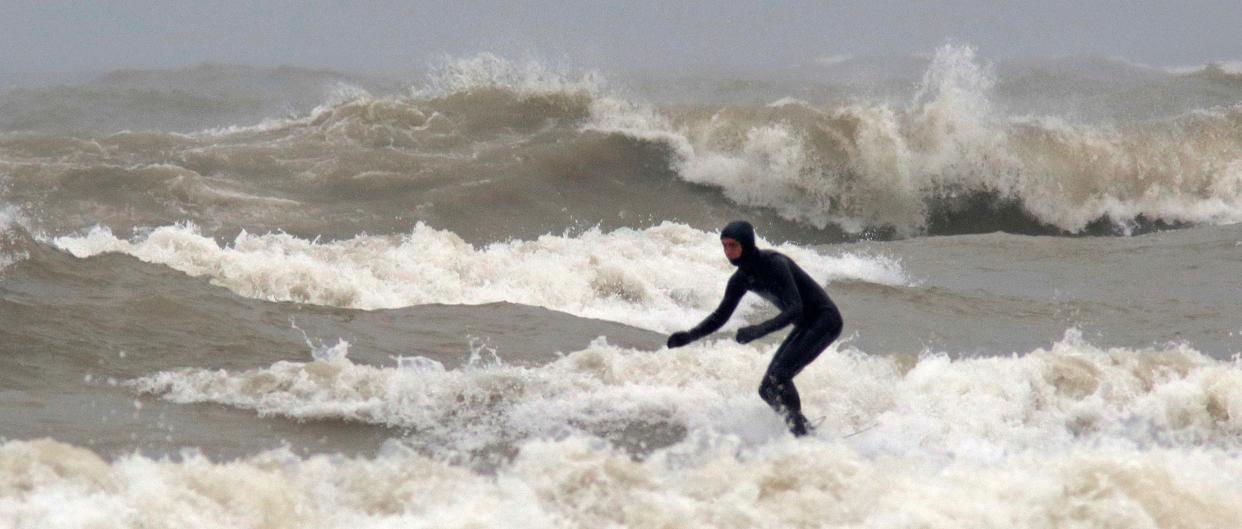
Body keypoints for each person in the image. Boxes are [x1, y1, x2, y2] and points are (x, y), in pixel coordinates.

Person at [666, 221, 843, 436]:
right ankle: (802, 430)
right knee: (767, 389)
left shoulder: (775, 264)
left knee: (779, 377)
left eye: (733, 245)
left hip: (825, 320)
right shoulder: (740, 279)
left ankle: (803, 435)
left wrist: (758, 330)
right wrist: (689, 336)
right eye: (724, 246)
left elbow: (795, 308)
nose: (728, 252)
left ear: (747, 244)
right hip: (806, 325)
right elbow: (720, 316)